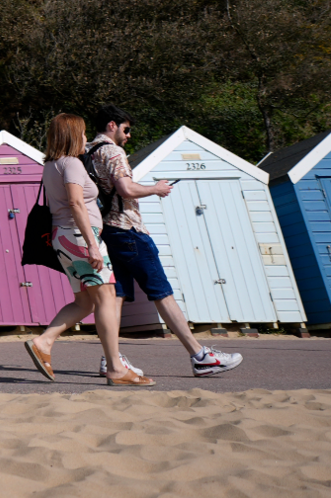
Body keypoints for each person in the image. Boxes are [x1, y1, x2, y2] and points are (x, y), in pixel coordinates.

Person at [79, 105, 243, 378]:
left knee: (114, 297)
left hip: (105, 232)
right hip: (128, 229)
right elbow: (126, 188)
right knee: (161, 291)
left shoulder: (87, 152)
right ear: (112, 125)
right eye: (126, 129)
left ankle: (111, 358)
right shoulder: (112, 151)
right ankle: (200, 356)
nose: (128, 135)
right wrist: (157, 188)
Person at [24, 114, 153, 386]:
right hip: (80, 238)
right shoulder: (71, 164)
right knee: (106, 298)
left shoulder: (51, 165)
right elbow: (76, 203)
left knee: (85, 301)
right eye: (82, 134)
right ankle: (116, 368)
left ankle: (44, 341)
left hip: (64, 238)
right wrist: (93, 245)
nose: (86, 138)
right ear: (72, 135)